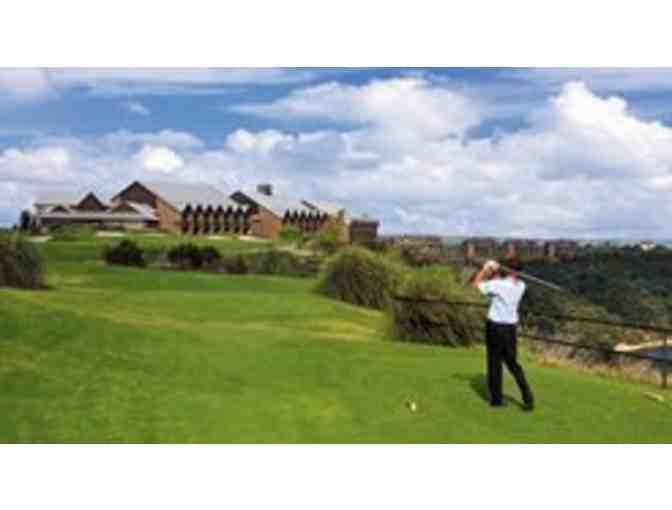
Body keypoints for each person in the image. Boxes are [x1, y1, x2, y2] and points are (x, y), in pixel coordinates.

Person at [472, 259, 534, 411]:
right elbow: (498, 281)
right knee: (512, 363)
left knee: (494, 362)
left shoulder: (499, 284)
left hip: (495, 328)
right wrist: (496, 271)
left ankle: (496, 400)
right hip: (510, 329)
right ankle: (527, 395)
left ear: (509, 270)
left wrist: (485, 269)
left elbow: (476, 284)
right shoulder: (521, 286)